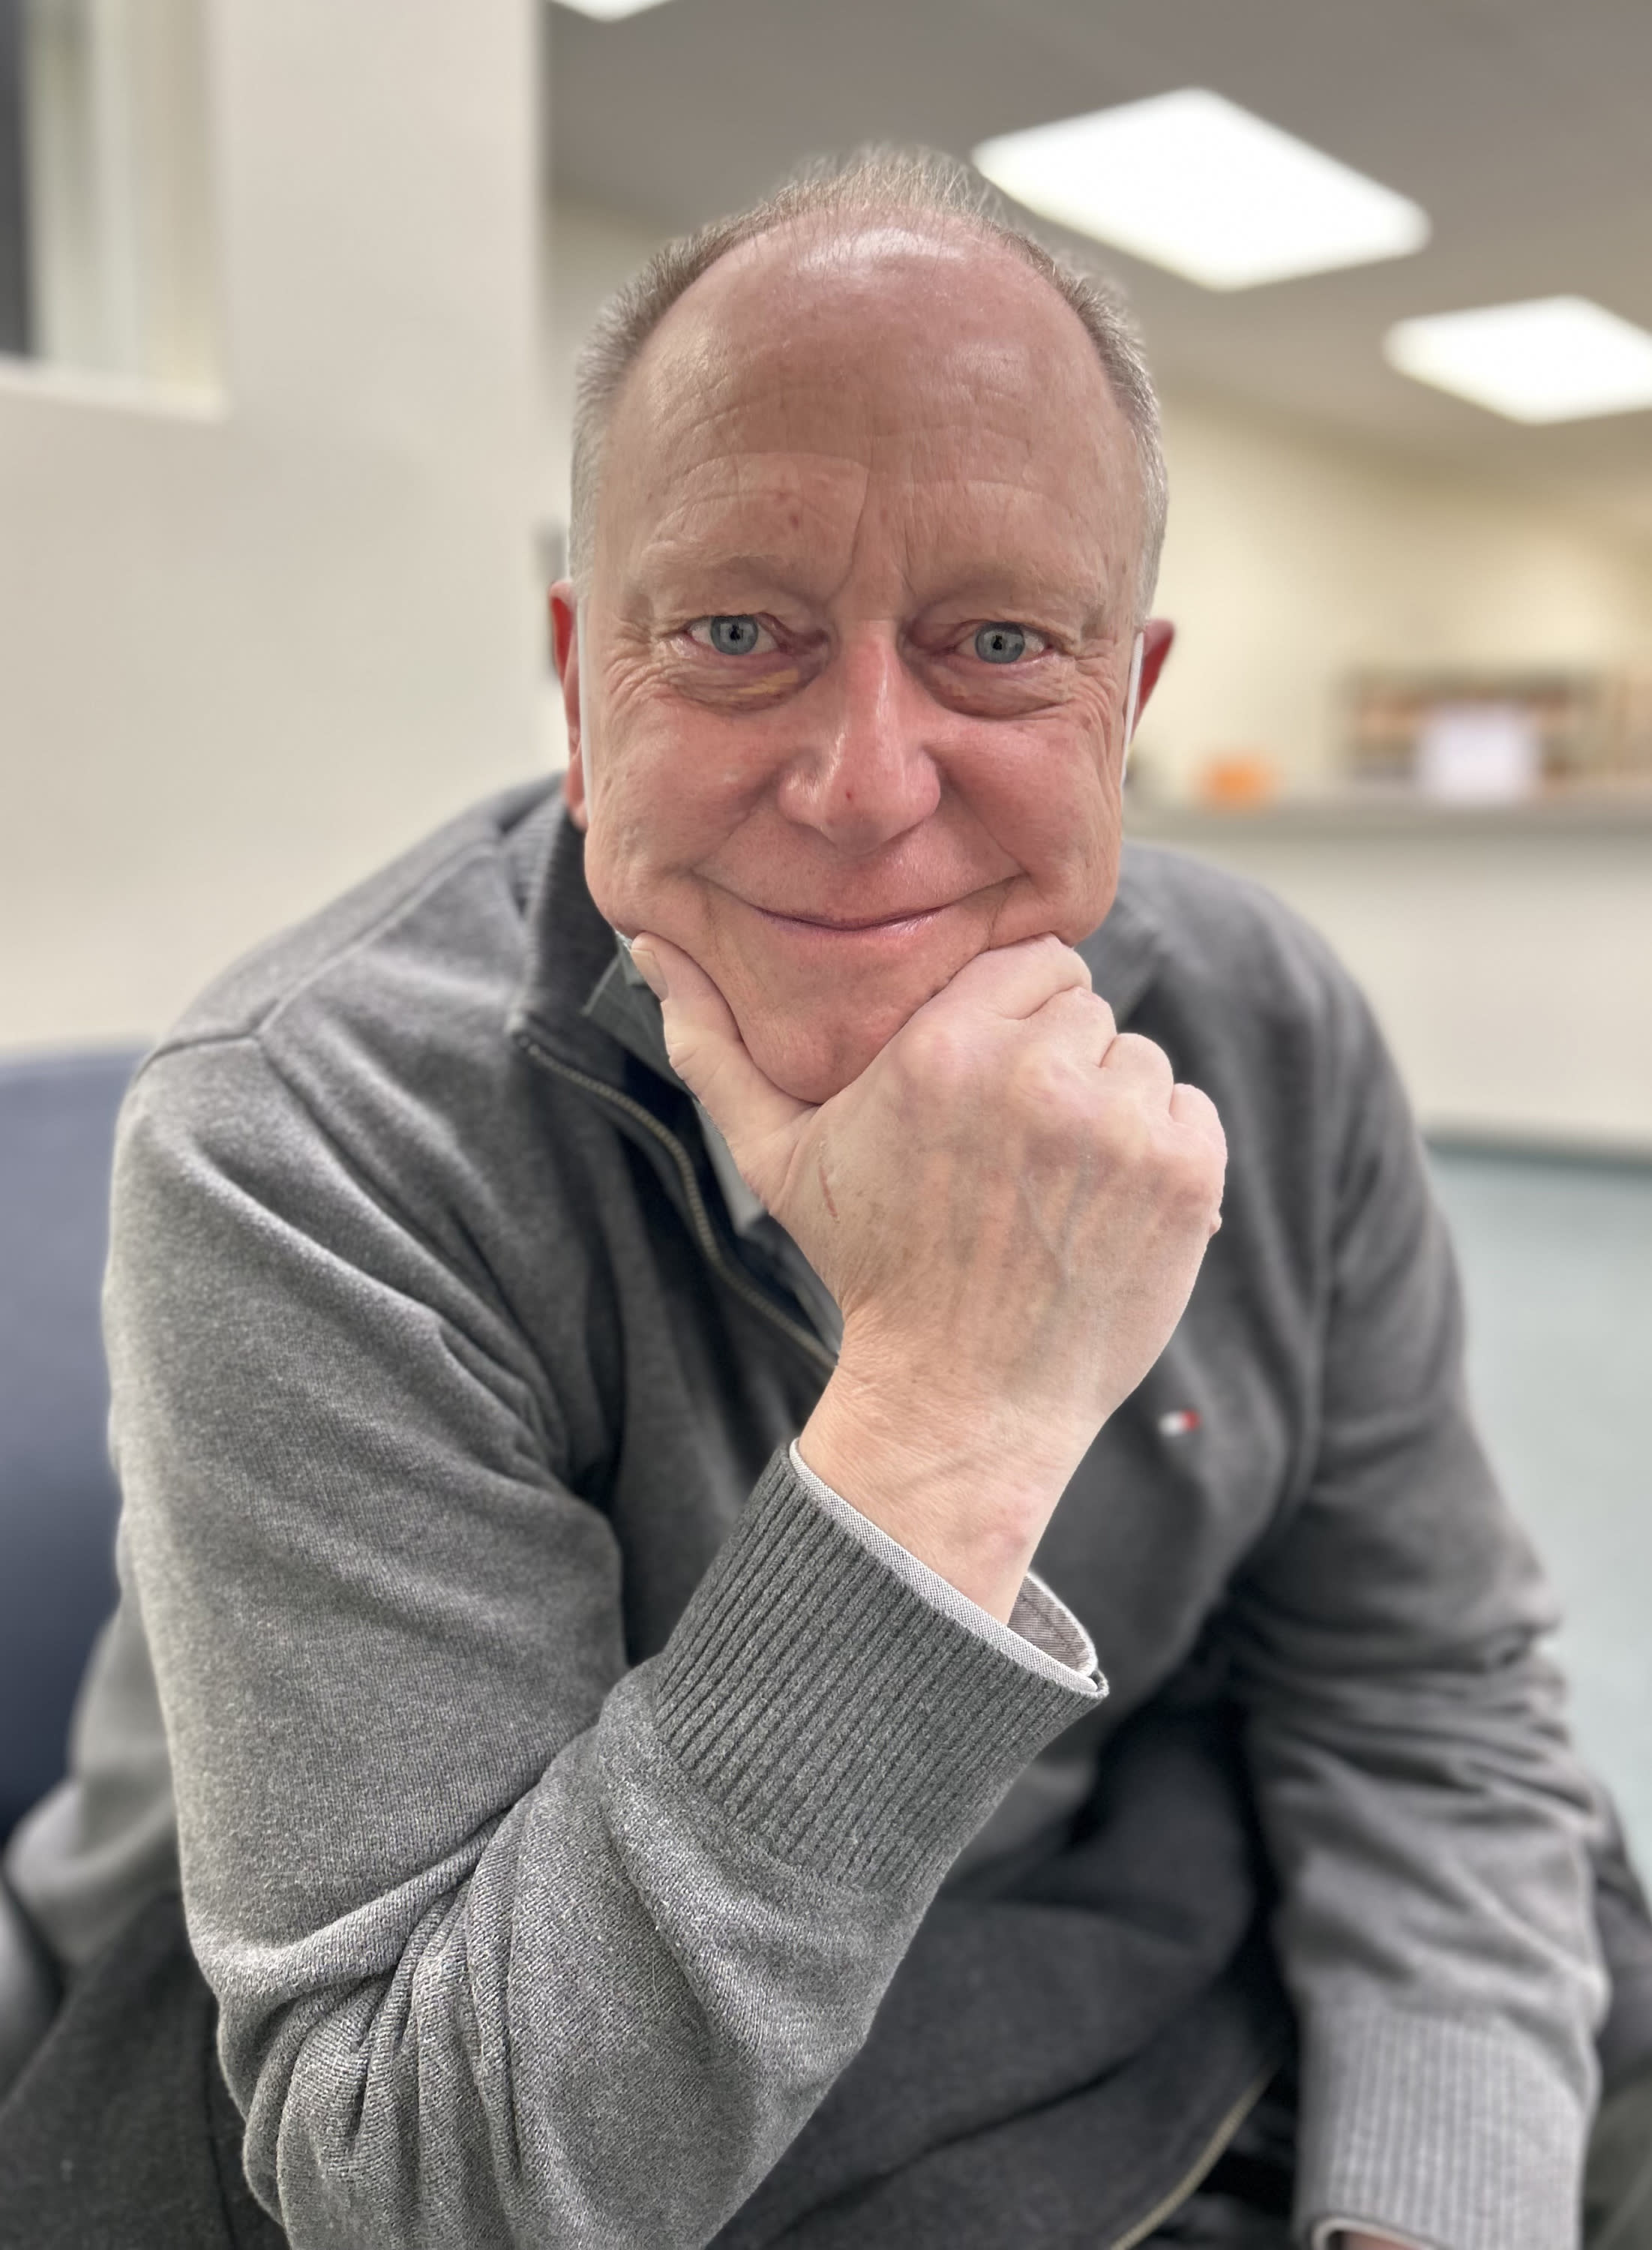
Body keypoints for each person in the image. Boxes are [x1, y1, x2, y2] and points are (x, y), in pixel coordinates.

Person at [2, 148, 1649, 2250]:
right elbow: (434, 2175)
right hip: (421, 2034)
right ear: (582, 687)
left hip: (1039, 1928)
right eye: (734, 636)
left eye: (991, 644)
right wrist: (951, 1409)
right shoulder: (307, 1140)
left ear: (1121, 705)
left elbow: (1417, 1691)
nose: (866, 781)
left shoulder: (1266, 1026)